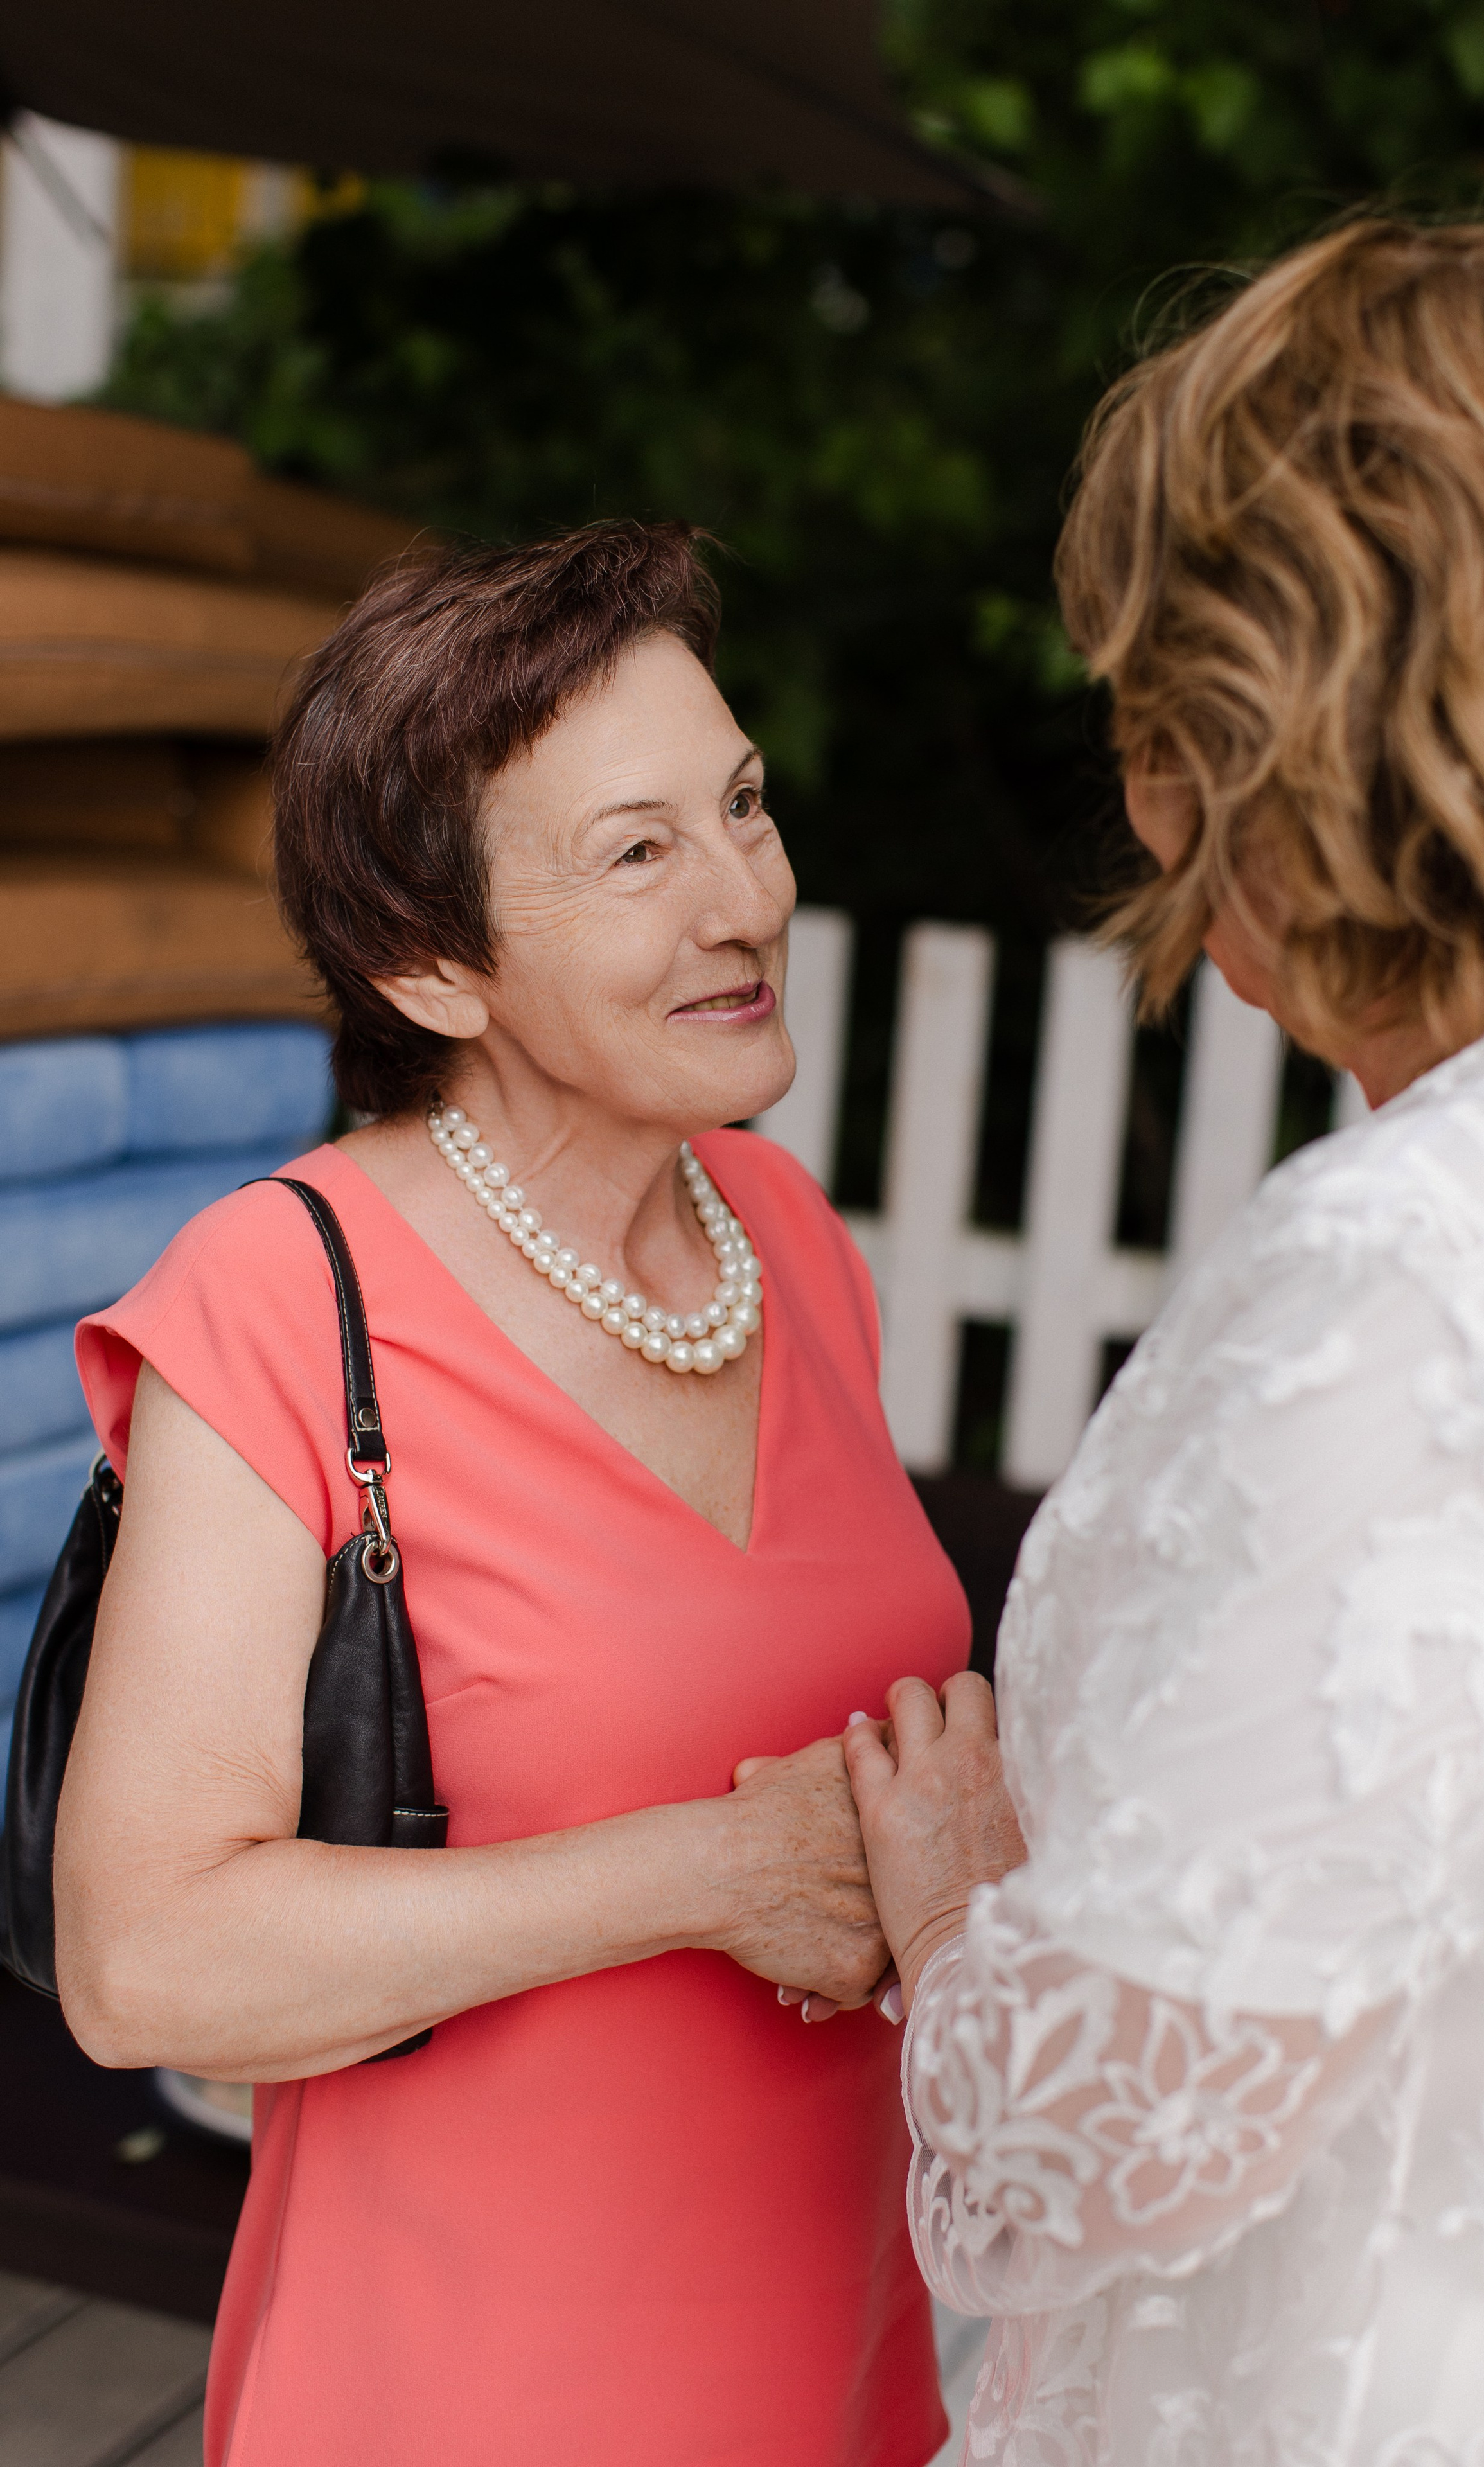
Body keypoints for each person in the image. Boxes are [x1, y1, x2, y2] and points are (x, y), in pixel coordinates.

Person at [844, 220, 1484, 2465]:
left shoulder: (1432, 1265)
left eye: (1150, 702)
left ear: (1263, 719)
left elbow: (1112, 2127)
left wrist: (955, 1907)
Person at [55, 522, 966, 2467]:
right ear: (430, 964)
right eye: (638, 854)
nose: (744, 900)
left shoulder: (789, 1242)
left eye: (743, 807)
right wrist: (711, 1877)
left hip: (839, 2361)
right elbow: (146, 1965)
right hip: (469, 2390)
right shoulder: (282, 1293)